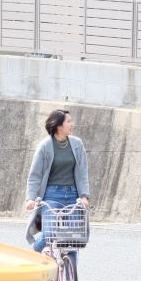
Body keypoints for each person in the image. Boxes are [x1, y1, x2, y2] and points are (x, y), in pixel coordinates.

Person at [25, 109, 90, 260]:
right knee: (49, 233)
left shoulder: (77, 144)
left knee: (72, 239)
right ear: (59, 126)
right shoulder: (45, 146)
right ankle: (33, 252)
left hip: (73, 195)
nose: (72, 124)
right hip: (52, 195)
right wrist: (30, 198)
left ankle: (69, 280)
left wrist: (84, 196)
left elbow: (83, 172)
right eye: (69, 121)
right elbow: (35, 175)